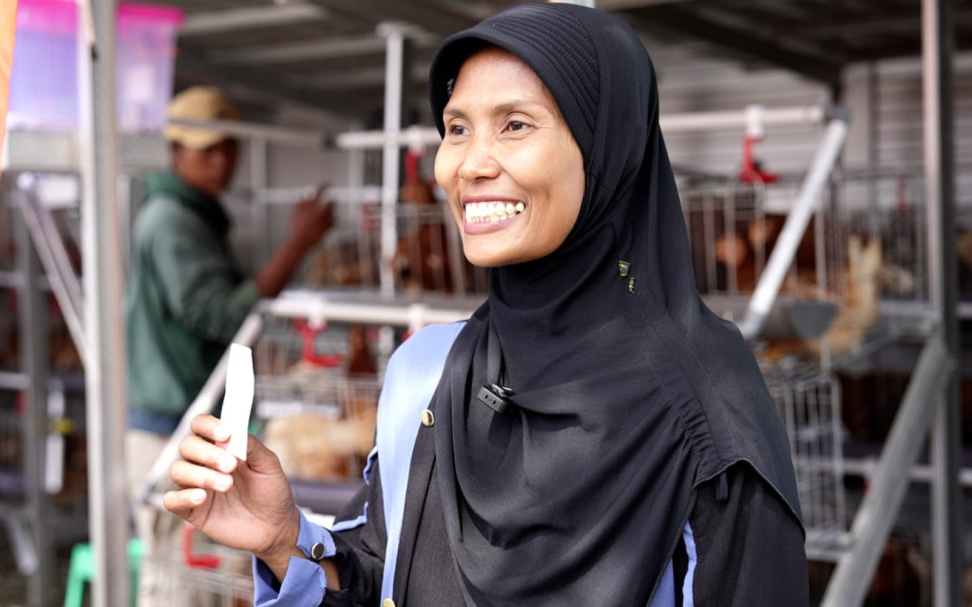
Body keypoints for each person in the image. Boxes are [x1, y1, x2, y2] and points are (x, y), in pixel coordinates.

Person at [164, 5, 809, 606]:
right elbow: (379, 575)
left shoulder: (703, 406)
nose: (469, 164)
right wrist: (285, 542)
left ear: (607, 147)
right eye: (456, 128)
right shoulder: (428, 373)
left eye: (516, 125)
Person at [125, 85, 333, 606]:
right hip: (173, 430)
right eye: (205, 150)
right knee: (179, 584)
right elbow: (219, 315)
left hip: (185, 427)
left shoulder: (192, 215)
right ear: (175, 152)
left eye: (227, 147)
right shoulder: (172, 219)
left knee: (199, 580)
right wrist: (296, 245)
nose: (220, 160)